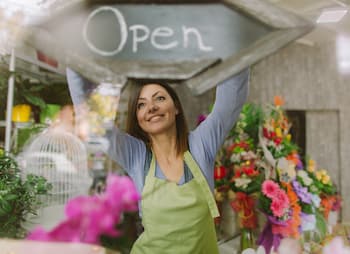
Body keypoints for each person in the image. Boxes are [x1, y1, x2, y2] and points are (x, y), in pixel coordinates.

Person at [66, 68, 249, 254]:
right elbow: (93, 119)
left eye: (159, 98)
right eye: (141, 105)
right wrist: (76, 57)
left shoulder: (201, 145)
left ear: (176, 107)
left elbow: (230, 100)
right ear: (138, 119)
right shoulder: (137, 156)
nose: (151, 108)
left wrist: (232, 48)